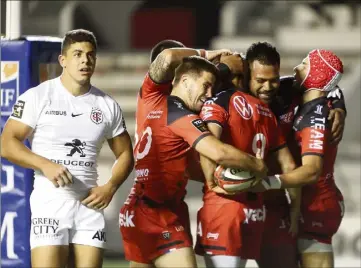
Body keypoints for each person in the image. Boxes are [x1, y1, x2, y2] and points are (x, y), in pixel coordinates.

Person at [119, 48, 268, 268]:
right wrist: (256, 165)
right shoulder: (182, 116)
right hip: (159, 213)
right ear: (185, 80)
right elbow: (218, 151)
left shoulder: (148, 98)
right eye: (206, 86)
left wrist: (216, 178)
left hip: (135, 210)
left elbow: (183, 167)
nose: (209, 94)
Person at [0, 29, 134, 268]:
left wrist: (110, 187)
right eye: (78, 54)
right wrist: (45, 165)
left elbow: (125, 153)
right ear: (63, 60)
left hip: (89, 207)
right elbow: (7, 143)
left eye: (90, 55)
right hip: (50, 203)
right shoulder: (38, 96)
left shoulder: (106, 105)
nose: (85, 60)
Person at [242, 42, 347, 268]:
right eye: (260, 80)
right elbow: (328, 86)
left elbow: (311, 170)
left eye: (304, 64)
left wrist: (267, 184)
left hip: (305, 202)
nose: (269, 86)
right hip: (272, 198)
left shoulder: (312, 113)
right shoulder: (241, 98)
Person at [193, 53, 296, 268]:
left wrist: (212, 182)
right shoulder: (265, 110)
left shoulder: (219, 101)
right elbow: (289, 165)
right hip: (256, 209)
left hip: (224, 205)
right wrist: (295, 210)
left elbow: (208, 144)